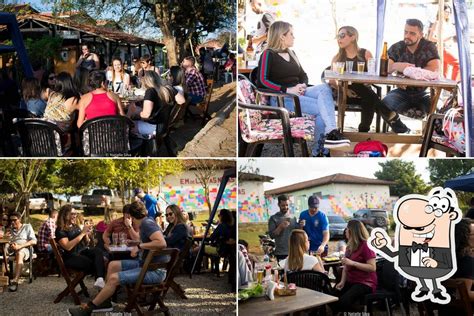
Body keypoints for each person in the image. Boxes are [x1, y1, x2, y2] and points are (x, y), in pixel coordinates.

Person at [257, 21, 349, 156]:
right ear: (282, 36)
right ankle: (321, 150)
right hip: (282, 98)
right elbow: (262, 80)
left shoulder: (292, 53)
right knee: (321, 110)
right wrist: (287, 90)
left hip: (298, 92)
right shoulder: (268, 54)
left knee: (324, 88)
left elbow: (303, 75)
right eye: (291, 34)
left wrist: (303, 85)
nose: (294, 37)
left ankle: (329, 133)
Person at [67, 201, 167, 315]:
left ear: (131, 216)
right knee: (113, 264)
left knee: (114, 278)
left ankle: (88, 308)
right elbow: (147, 240)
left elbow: (161, 243)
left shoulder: (146, 224)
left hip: (155, 271)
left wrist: (139, 246)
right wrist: (135, 243)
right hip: (146, 265)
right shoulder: (147, 222)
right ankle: (106, 301)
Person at [330, 26, 409, 133]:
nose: (339, 39)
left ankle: (364, 131)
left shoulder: (365, 54)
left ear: (353, 37)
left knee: (367, 96)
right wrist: (346, 91)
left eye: (342, 35)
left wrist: (367, 81)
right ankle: (391, 121)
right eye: (338, 36)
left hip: (364, 92)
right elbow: (332, 81)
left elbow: (373, 75)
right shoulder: (337, 57)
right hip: (344, 94)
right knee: (367, 95)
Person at [382, 19, 440, 122]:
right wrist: (396, 65)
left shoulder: (428, 47)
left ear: (421, 35)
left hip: (423, 92)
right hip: (401, 92)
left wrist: (408, 71)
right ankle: (402, 130)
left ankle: (427, 136)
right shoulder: (397, 47)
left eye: (412, 33)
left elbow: (434, 69)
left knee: (439, 110)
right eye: (405, 32)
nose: (407, 36)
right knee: (384, 104)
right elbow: (384, 68)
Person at [55, 205, 106, 290]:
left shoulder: (75, 226)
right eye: (72, 214)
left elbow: (86, 243)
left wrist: (87, 234)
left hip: (82, 252)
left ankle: (100, 280)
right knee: (97, 262)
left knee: (98, 251)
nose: (75, 216)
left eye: (75, 213)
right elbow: (68, 247)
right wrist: (82, 233)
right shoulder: (60, 230)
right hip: (71, 257)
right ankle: (102, 289)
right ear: (64, 215)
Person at [332, 220, 377, 313]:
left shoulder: (366, 245)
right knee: (331, 297)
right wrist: (342, 281)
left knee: (343, 302)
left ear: (352, 231)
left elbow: (372, 267)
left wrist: (353, 263)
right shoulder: (349, 246)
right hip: (351, 280)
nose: (345, 231)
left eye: (347, 229)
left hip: (365, 282)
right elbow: (346, 266)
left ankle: (360, 313)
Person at [128, 71, 178, 136]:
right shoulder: (166, 89)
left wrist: (134, 112)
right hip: (163, 125)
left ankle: (135, 145)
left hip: (153, 127)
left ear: (146, 81)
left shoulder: (150, 91)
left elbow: (146, 115)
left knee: (126, 126)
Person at [5, 212, 36, 292]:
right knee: (4, 251)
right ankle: (4, 278)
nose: (12, 222)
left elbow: (34, 241)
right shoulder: (10, 230)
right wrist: (7, 239)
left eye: (14, 220)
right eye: (11, 220)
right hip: (12, 250)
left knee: (20, 252)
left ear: (20, 219)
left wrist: (19, 246)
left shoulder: (27, 227)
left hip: (25, 249)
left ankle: (15, 281)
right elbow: (7, 242)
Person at [428, 4, 459, 81]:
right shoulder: (437, 22)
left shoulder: (448, 24)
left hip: (448, 48)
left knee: (444, 73)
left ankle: (441, 91)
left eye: (449, 12)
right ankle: (454, 85)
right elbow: (430, 38)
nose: (448, 13)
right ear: (441, 12)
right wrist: (444, 39)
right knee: (457, 64)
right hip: (442, 48)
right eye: (446, 11)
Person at [268, 194, 301, 261]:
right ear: (278, 205)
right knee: (283, 271)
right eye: (283, 205)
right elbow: (271, 235)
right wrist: (280, 227)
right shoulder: (274, 218)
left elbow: (297, 233)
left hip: (294, 251)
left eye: (287, 205)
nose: (285, 207)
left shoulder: (293, 217)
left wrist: (301, 225)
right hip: (281, 253)